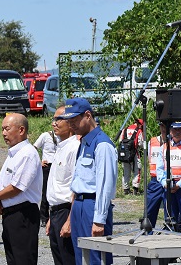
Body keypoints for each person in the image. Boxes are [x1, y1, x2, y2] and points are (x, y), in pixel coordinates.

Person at [57, 98, 117, 265]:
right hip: (80, 205)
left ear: (88, 115)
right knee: (81, 256)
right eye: (69, 122)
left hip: (93, 205)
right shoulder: (83, 142)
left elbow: (105, 186)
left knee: (96, 257)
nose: (71, 126)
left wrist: (99, 220)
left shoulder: (102, 144)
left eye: (75, 121)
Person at [0, 113, 43, 265]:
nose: (3, 133)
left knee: (23, 260)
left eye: (7, 129)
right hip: (11, 215)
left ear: (21, 130)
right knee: (13, 260)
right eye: (2, 129)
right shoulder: (13, 153)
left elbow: (17, 187)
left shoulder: (28, 154)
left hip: (23, 215)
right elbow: (4, 181)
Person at [46, 105, 80, 265]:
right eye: (53, 119)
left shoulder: (74, 148)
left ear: (71, 123)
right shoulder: (60, 147)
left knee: (68, 259)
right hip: (55, 212)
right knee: (58, 259)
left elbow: (75, 188)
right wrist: (50, 218)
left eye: (59, 119)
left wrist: (69, 220)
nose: (54, 123)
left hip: (66, 211)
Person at [34, 124, 58, 226]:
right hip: (47, 166)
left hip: (57, 166)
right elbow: (33, 148)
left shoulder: (64, 137)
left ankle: (55, 216)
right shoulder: (45, 135)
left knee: (56, 191)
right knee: (45, 192)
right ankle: (44, 217)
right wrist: (39, 161)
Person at [146, 121, 168, 229]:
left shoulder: (172, 142)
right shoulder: (152, 141)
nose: (163, 128)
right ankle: (148, 233)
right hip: (155, 180)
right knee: (150, 210)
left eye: (165, 125)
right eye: (161, 126)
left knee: (169, 211)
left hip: (167, 179)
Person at [119, 118, 144, 195]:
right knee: (137, 170)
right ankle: (135, 189)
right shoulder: (139, 131)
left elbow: (120, 141)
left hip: (124, 154)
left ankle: (126, 189)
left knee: (126, 171)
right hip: (134, 153)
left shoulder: (124, 130)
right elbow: (141, 144)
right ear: (140, 125)